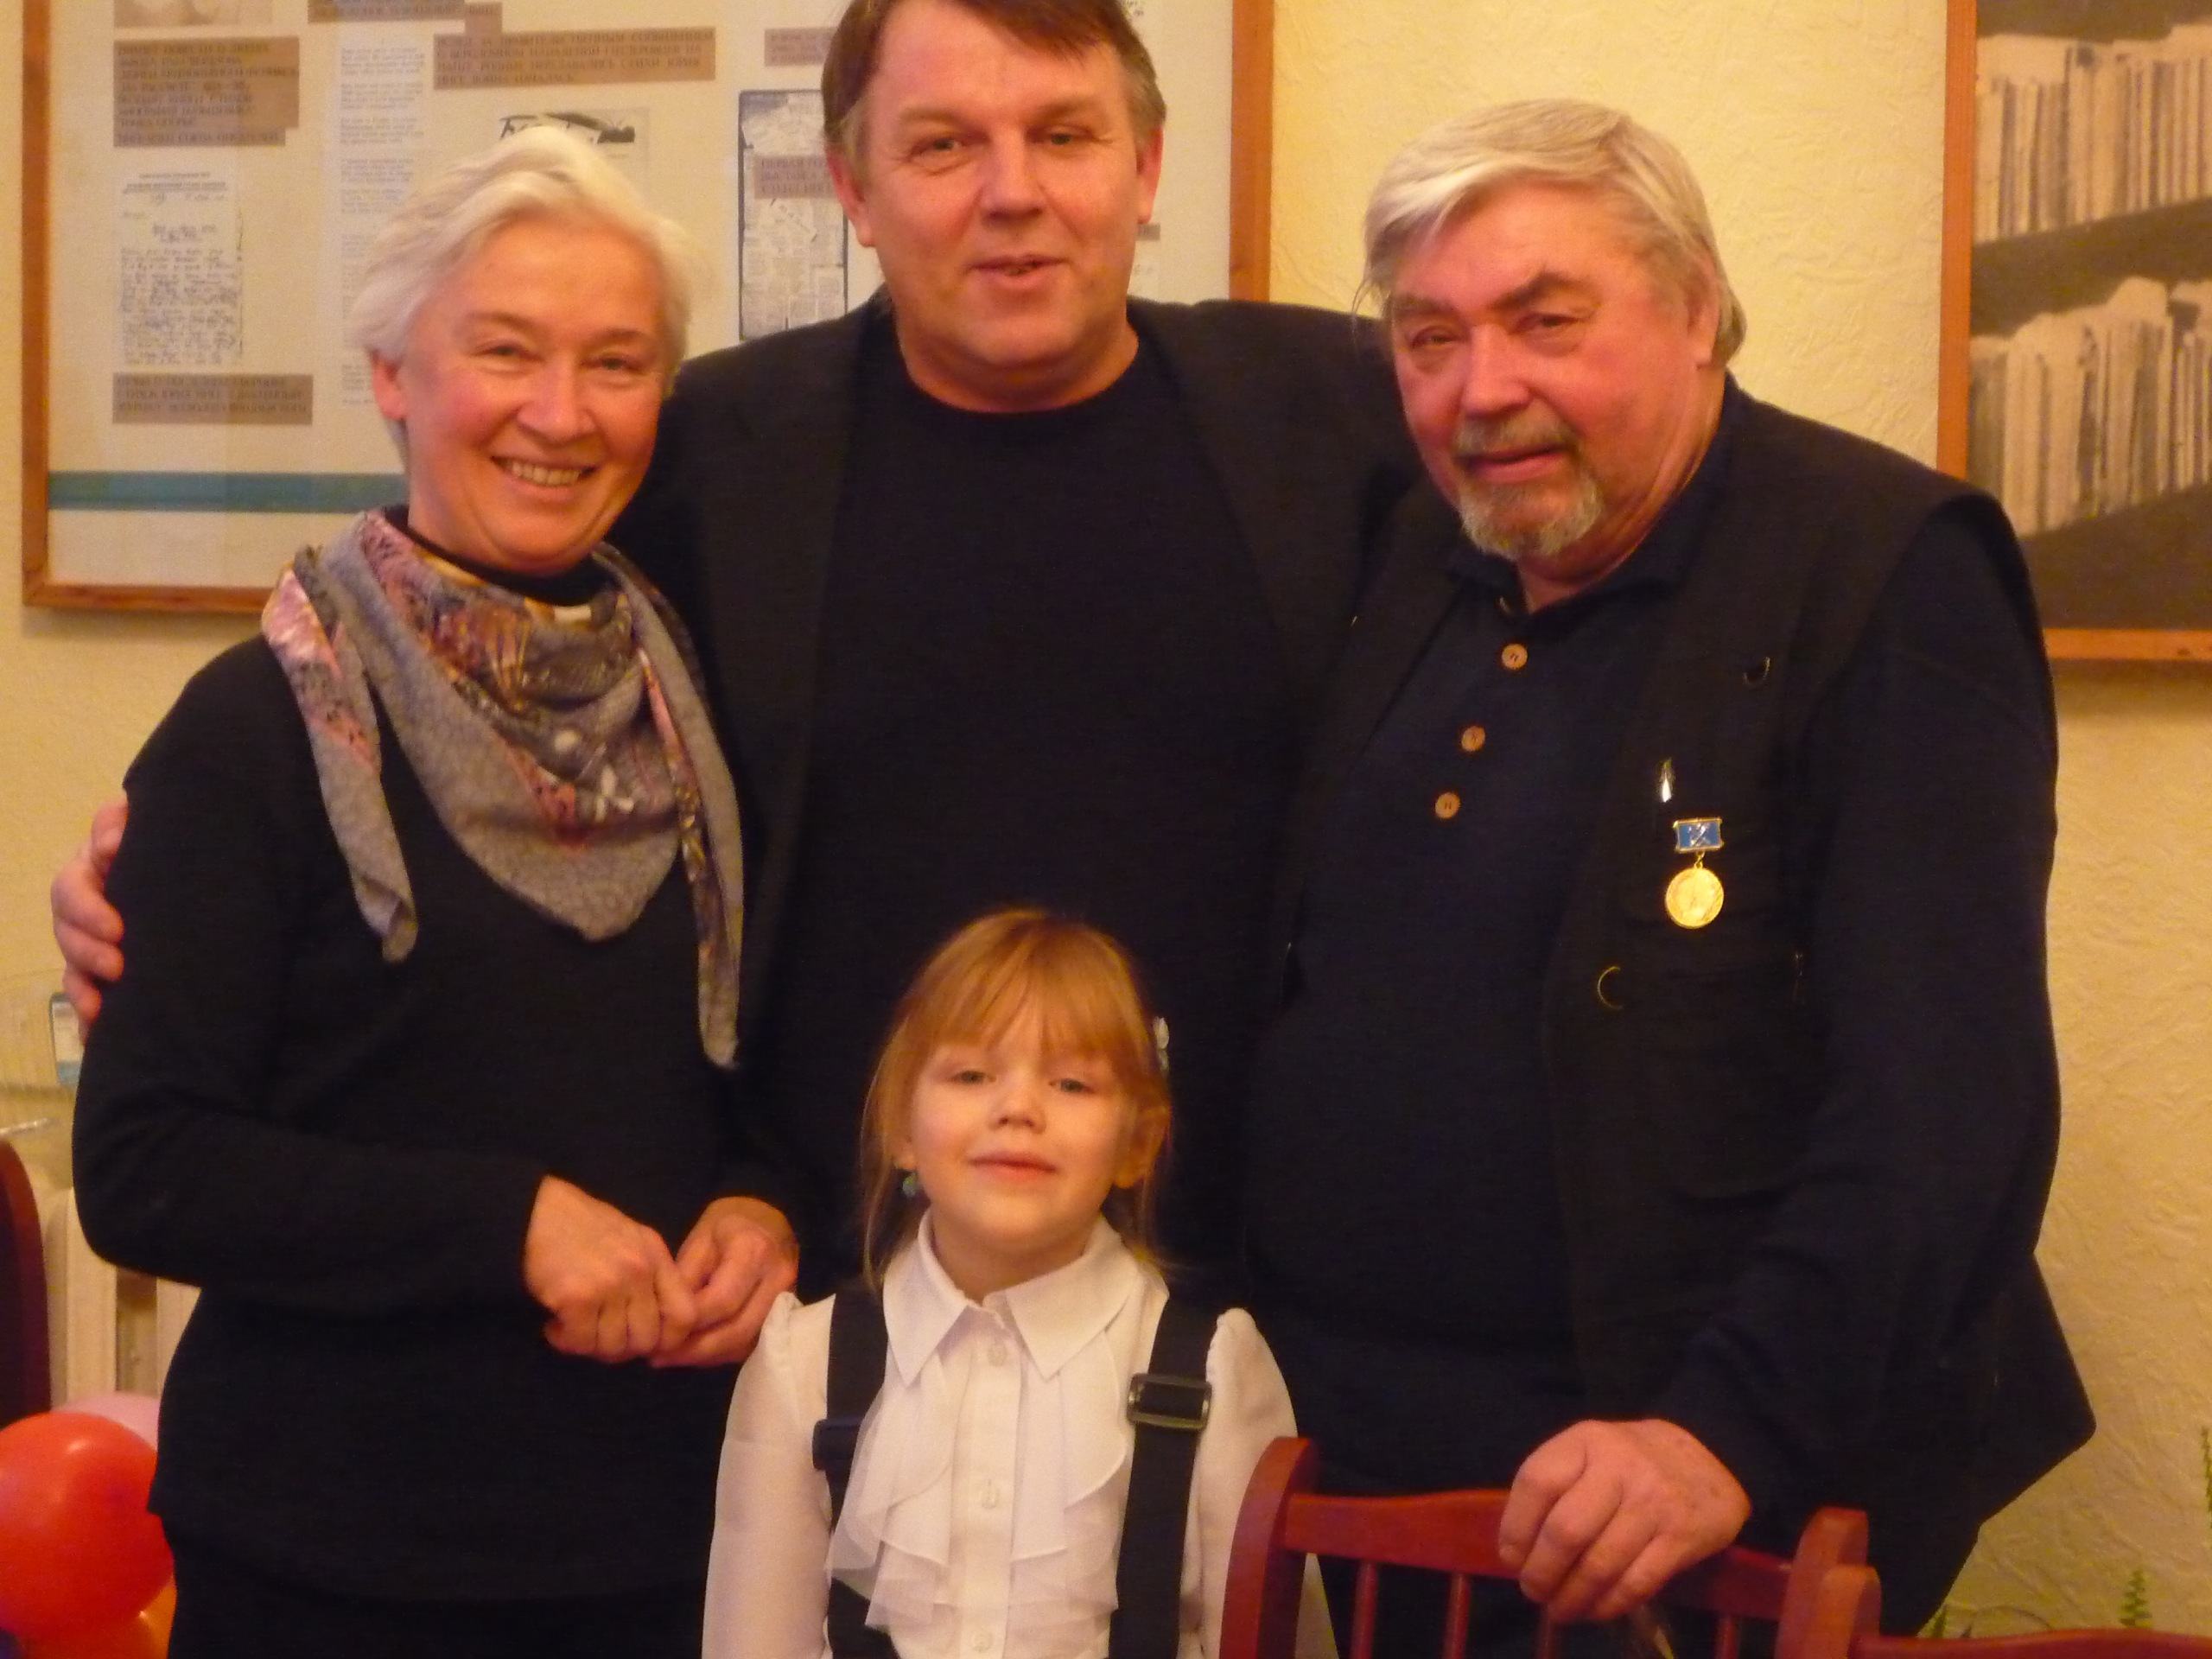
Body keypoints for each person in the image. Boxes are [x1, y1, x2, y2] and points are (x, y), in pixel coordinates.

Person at [54, 0, 1418, 1299]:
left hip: (1246, 1291)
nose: (1013, 192)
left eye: (1064, 135)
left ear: (1146, 165)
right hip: (815, 1305)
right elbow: (448, 648)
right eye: (944, 144)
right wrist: (174, 865)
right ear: (852, 186)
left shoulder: (1345, 419)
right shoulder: (709, 456)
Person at [1239, 99, 2093, 1644]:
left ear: (1698, 308)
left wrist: (1723, 1436)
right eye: (1428, 340)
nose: (1483, 389)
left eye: (1545, 321)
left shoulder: (1884, 572)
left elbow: (1945, 1107)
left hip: (1687, 1499)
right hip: (1374, 1483)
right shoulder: (1422, 555)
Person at [70, 130, 793, 1658]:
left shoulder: (706, 707)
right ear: (393, 374)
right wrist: (504, 1222)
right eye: (505, 351)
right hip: (336, 1561)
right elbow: (145, 1165)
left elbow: (732, 1069)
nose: (561, 413)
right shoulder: (260, 726)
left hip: (664, 1542)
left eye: (616, 363)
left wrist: (758, 1199)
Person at [702, 910, 1326, 1659]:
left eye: (1071, 1083)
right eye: (971, 1075)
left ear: (1138, 1144)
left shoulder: (1213, 1373)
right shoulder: (804, 1365)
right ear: (901, 1126)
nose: (1019, 1109)